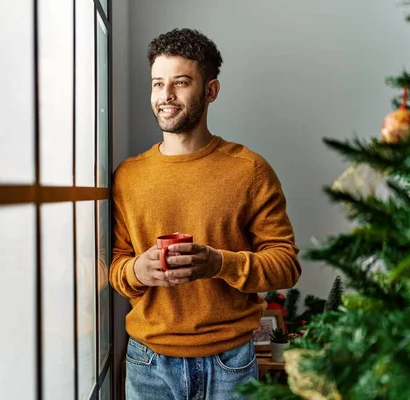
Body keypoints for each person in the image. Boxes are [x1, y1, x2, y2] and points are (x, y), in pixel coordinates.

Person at [109, 28, 301, 399]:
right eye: (157, 83)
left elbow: (286, 265)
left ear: (210, 91)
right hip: (147, 364)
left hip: (230, 364)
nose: (165, 96)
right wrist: (137, 270)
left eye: (180, 83)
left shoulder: (250, 170)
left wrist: (219, 263)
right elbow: (116, 267)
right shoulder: (128, 176)